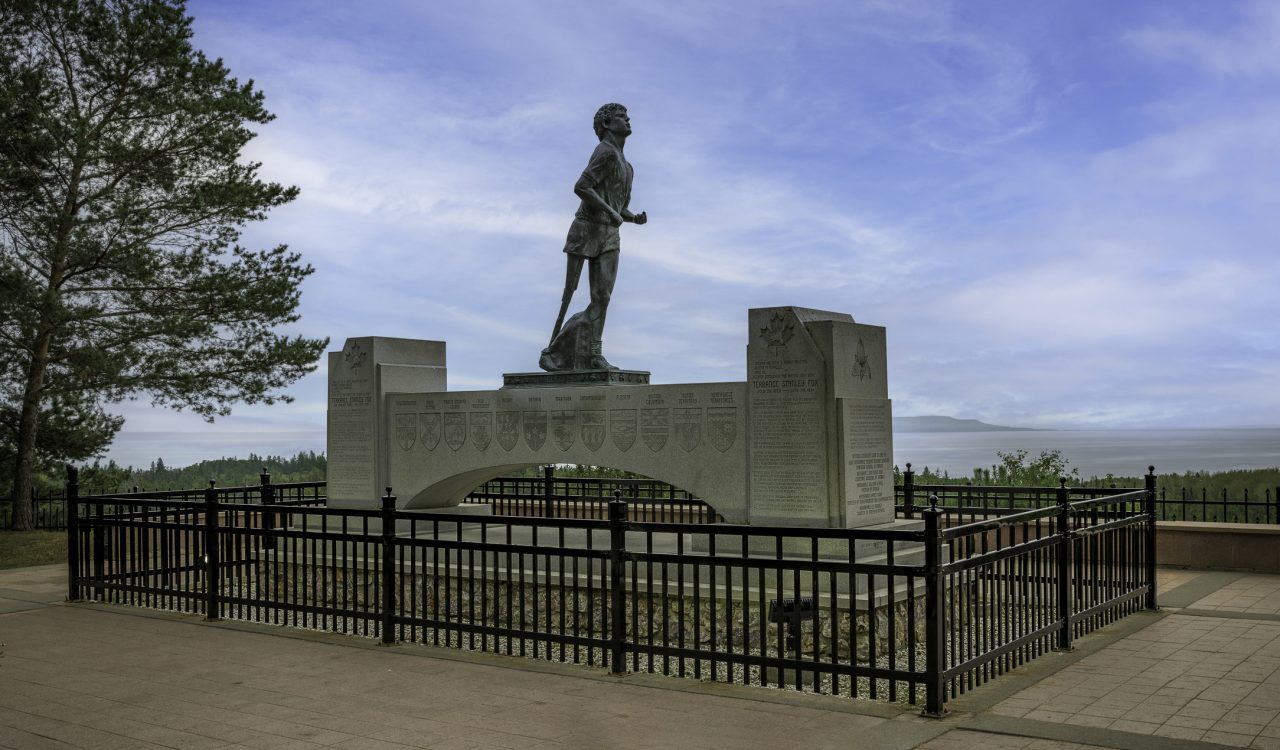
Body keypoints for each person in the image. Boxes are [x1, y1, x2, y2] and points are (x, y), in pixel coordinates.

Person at [541, 103, 646, 371]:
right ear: (607, 125)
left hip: (610, 234)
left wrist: (633, 217)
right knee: (569, 292)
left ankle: (594, 354)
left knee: (603, 296)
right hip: (586, 229)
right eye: (621, 117)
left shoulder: (629, 167)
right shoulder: (605, 151)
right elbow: (582, 187)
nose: (627, 119)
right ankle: (551, 352)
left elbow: (619, 206)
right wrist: (612, 212)